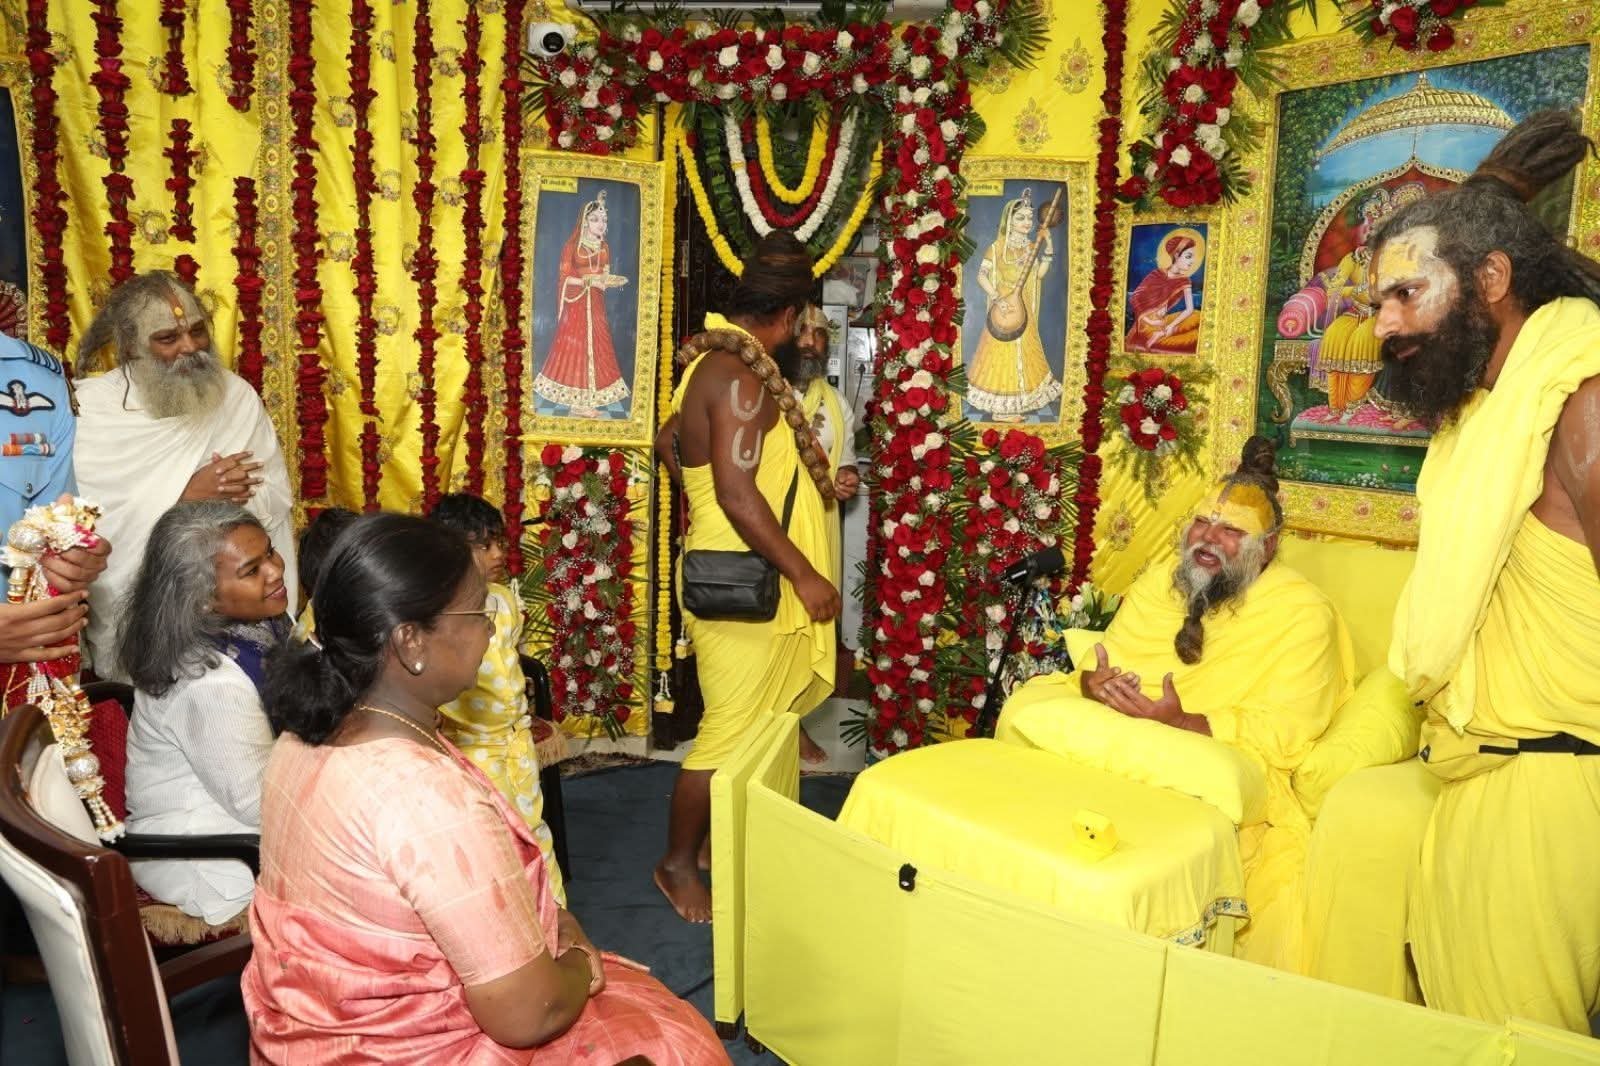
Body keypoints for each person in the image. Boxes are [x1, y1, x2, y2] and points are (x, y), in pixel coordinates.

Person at [244, 513, 726, 1063]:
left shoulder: (299, 739)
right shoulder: (425, 799)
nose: (490, 630)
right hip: (414, 1052)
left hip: (309, 1037)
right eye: (477, 613)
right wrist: (577, 956)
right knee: (673, 1044)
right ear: (410, 641)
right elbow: (530, 1014)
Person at [1353, 110, 1600, 1033]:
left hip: (1555, 798)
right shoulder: (1485, 420)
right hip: (1477, 782)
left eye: (1406, 294)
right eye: (1378, 303)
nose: (1384, 325)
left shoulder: (1580, 405)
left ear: (1490, 281)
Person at [998, 437, 1355, 970]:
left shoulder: (1303, 613)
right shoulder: (1161, 581)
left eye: (1231, 531)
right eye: (1202, 524)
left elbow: (1286, 731)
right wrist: (1093, 684)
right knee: (1025, 708)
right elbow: (1106, 659)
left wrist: (1183, 721)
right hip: (1126, 733)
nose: (1208, 539)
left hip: (1210, 753)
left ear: (1268, 547)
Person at [652, 232, 840, 922]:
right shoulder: (738, 376)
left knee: (755, 723)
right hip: (742, 584)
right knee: (726, 732)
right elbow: (737, 494)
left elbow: (668, 439)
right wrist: (805, 574)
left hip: (742, 566)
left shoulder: (716, 363)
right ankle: (676, 865)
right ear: (788, 315)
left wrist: (698, 496)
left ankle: (706, 845)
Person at [72, 271, 297, 683]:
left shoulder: (235, 396)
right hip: (152, 616)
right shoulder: (92, 410)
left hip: (238, 601)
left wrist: (232, 499)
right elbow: (89, 526)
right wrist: (187, 497)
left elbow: (276, 496)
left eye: (196, 331)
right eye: (167, 338)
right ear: (130, 345)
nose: (189, 347)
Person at [120, 501, 289, 925]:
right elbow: (257, 804)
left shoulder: (255, 626)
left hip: (241, 820)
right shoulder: (209, 683)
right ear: (202, 601)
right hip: (208, 853)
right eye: (252, 570)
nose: (275, 571)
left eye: (270, 552)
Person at [429, 492, 565, 905]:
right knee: (493, 842)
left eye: (499, 542)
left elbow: (510, 660)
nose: (497, 553)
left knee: (533, 830)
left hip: (515, 740)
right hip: (472, 749)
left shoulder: (503, 600)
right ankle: (508, 923)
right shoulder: (435, 612)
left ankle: (553, 916)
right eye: (483, 546)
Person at [967, 187, 1063, 422]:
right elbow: (981, 276)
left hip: (1023, 307)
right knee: (1002, 355)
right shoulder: (996, 248)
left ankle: (1018, 402)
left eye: (1029, 218)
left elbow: (1039, 275)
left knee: (1024, 352)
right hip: (1003, 309)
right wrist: (997, 299)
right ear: (1009, 220)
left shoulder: (1030, 247)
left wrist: (1048, 245)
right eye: (1021, 218)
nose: (1027, 222)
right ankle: (1001, 411)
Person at [533, 189, 630, 418]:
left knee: (597, 346)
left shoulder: (604, 247)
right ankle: (578, 403)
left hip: (595, 304)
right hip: (576, 304)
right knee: (577, 348)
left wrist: (605, 281)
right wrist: (589, 281)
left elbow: (605, 275)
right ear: (585, 221)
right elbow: (565, 277)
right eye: (595, 219)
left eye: (604, 220)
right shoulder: (572, 247)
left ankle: (589, 399)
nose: (601, 224)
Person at [1125, 230, 1205, 354]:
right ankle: (1157, 336)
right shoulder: (1156, 275)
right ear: (1177, 255)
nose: (1192, 261)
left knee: (1198, 315)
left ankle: (1163, 333)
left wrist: (1170, 326)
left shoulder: (1184, 280)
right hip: (1147, 326)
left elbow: (1189, 309)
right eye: (1188, 256)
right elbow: (1135, 299)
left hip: (1163, 323)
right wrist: (1151, 322)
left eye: (1193, 257)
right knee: (1195, 337)